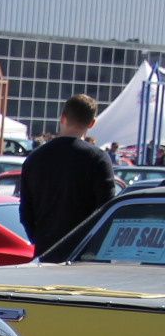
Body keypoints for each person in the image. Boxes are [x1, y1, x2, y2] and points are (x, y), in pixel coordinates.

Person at [19, 94, 119, 258]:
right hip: (84, 252)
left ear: (62, 117)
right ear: (91, 123)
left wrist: (37, 239)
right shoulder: (98, 159)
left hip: (46, 251)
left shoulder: (35, 158)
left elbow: (25, 210)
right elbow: (106, 210)